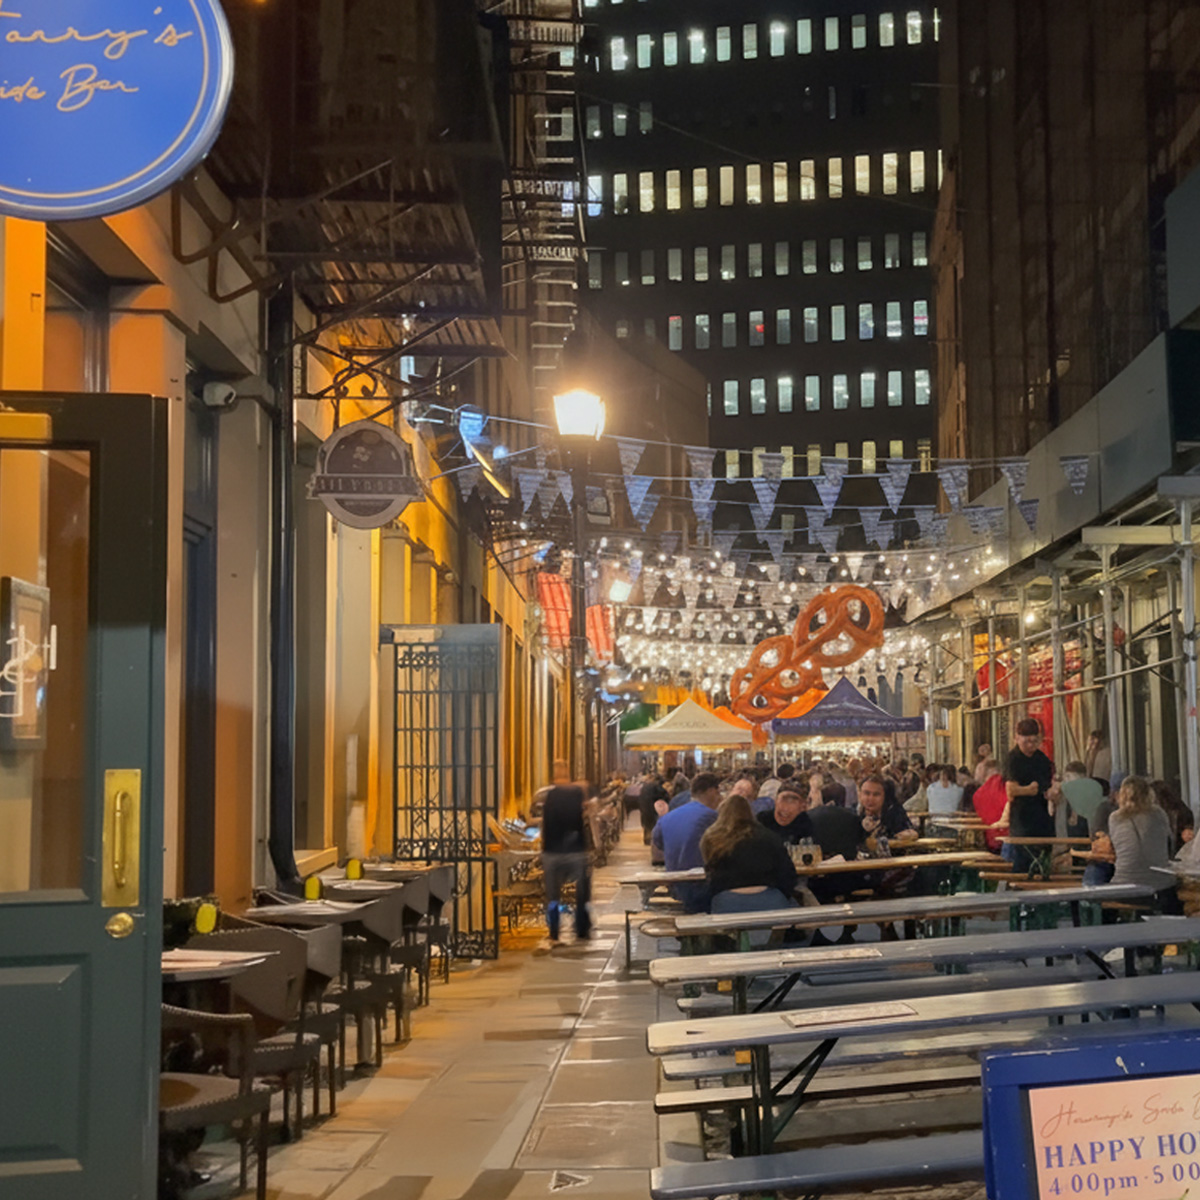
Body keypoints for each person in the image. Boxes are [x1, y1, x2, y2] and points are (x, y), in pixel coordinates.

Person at [701, 793, 798, 926]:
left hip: (726, 904)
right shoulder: (769, 836)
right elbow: (789, 875)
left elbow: (710, 875)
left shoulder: (713, 838)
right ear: (750, 812)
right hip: (771, 901)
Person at [650, 772, 723, 911]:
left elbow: (658, 842)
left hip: (675, 885)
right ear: (712, 791)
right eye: (718, 793)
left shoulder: (667, 818)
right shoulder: (712, 817)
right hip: (702, 887)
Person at [1107, 776, 1179, 910]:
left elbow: (1117, 849)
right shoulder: (1159, 813)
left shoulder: (1115, 818)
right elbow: (1169, 842)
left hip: (1124, 884)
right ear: (1148, 794)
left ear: (1121, 795)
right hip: (1162, 886)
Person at [540, 760, 591, 946]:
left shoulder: (547, 794)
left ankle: (554, 931)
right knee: (581, 893)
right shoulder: (577, 792)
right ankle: (582, 929)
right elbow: (586, 804)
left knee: (553, 896)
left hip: (551, 851)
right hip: (576, 849)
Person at [1003, 718, 1056, 870]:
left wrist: (1052, 792)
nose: (1031, 746)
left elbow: (1047, 786)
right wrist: (1029, 789)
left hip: (1042, 821)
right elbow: (1010, 791)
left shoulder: (1042, 760)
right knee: (1021, 864)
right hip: (1021, 823)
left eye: (1034, 741)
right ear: (1017, 738)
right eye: (1026, 742)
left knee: (1043, 865)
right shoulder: (1012, 759)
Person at [859, 774, 917, 845]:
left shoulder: (895, 813)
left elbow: (912, 833)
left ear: (885, 797)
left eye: (876, 794)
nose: (870, 799)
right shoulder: (856, 814)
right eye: (866, 793)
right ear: (860, 795)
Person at [638, 773, 669, 845]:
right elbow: (663, 795)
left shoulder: (646, 786)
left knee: (647, 822)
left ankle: (647, 839)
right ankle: (652, 839)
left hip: (644, 805)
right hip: (651, 806)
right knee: (652, 822)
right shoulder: (656, 786)